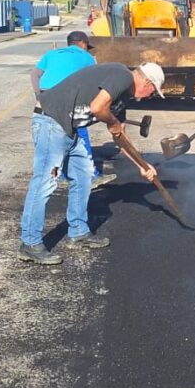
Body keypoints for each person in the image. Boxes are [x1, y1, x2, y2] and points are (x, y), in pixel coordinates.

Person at [19, 61, 166, 265]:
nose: (149, 97)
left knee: (83, 176)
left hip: (71, 129)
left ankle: (78, 233)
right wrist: (113, 122)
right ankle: (30, 243)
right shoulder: (122, 75)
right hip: (51, 122)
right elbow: (97, 107)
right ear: (147, 82)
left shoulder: (122, 97)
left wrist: (142, 165)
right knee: (45, 182)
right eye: (152, 92)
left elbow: (119, 136)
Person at [30, 31, 115, 190]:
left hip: (46, 100)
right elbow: (94, 82)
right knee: (79, 134)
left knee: (56, 139)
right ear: (83, 43)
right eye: (86, 46)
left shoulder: (51, 54)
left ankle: (61, 174)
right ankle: (91, 176)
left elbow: (35, 75)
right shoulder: (87, 57)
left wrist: (39, 95)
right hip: (68, 101)